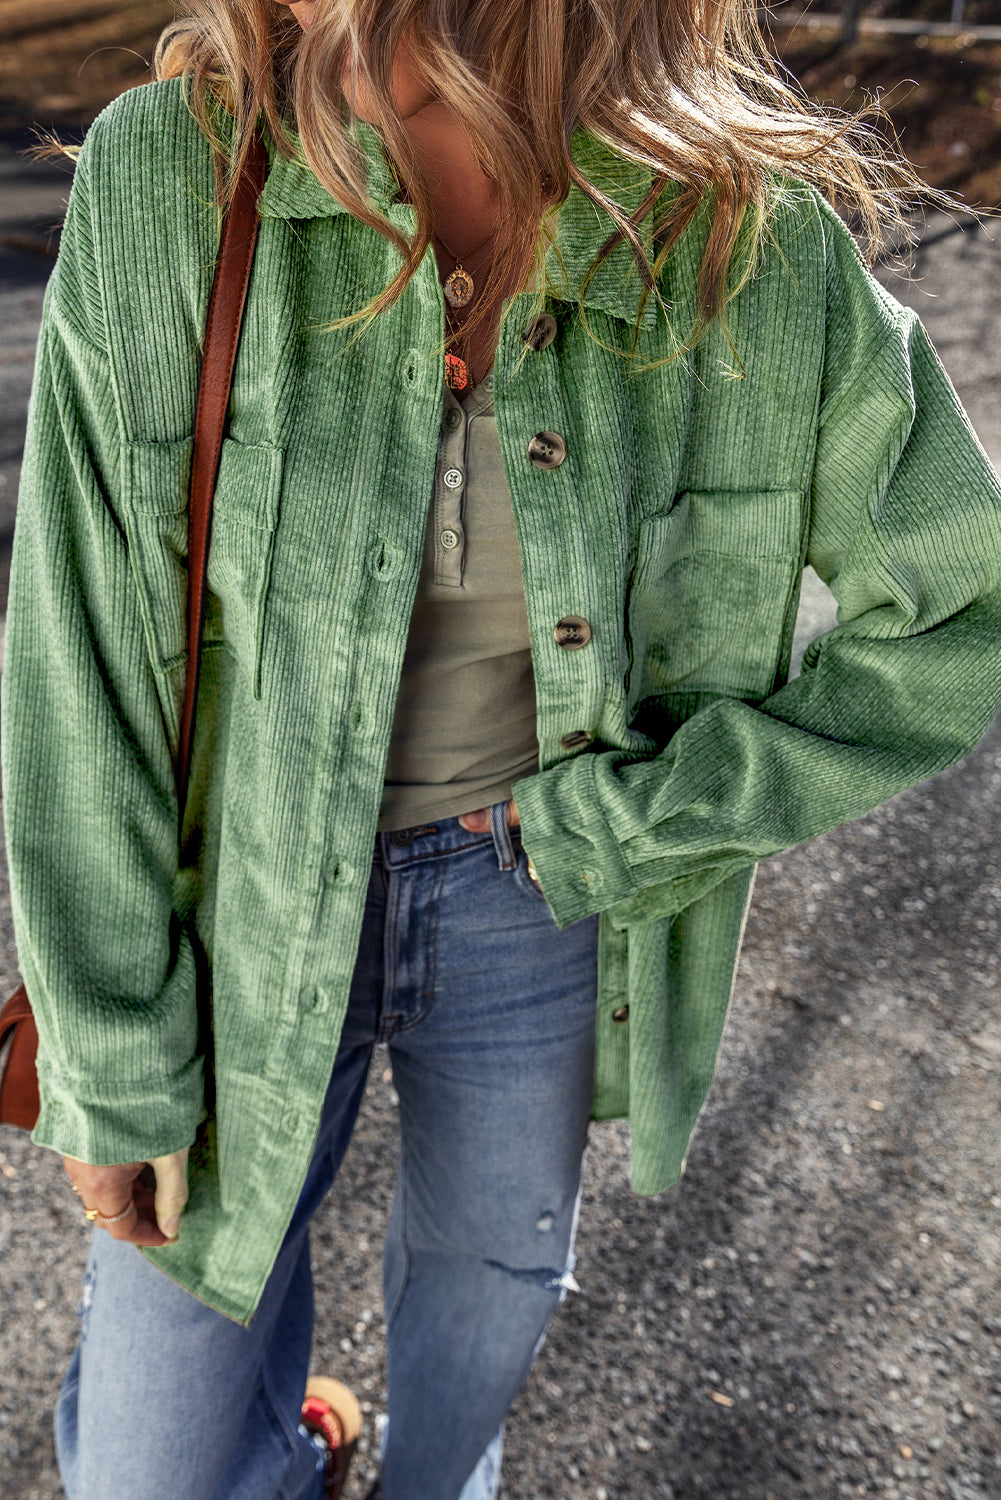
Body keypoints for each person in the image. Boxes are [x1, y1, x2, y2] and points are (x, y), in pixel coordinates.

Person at [3, 0, 1001, 1495]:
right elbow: (77, 659)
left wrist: (651, 819)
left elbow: (957, 607)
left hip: (537, 905)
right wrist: (109, 1057)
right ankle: (292, 1453)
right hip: (234, 907)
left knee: (481, 1318)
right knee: (148, 1465)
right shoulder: (175, 176)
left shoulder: (747, 241)